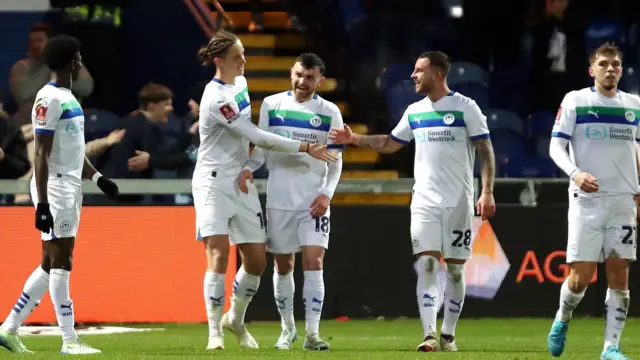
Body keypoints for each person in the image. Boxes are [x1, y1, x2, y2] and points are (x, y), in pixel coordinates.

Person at [329, 51, 496, 352]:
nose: (413, 76)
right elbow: (391, 143)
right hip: (424, 201)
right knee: (428, 264)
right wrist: (354, 140)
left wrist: (487, 192)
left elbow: (485, 150)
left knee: (456, 270)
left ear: (437, 74)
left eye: (419, 70)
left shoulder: (465, 108)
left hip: (459, 201)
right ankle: (430, 334)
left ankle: (449, 333)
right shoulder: (415, 111)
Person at [192, 30, 338, 351]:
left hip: (240, 181)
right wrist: (305, 147)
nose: (244, 60)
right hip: (213, 182)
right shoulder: (216, 98)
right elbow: (256, 136)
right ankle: (214, 332)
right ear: (219, 61)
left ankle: (236, 318)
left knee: (257, 261)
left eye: (244, 53)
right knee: (217, 255)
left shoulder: (241, 84)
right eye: (238, 56)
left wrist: (247, 167)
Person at [0, 35, 119, 355]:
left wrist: (97, 177)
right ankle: (69, 339)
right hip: (55, 187)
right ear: (71, 62)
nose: (81, 63)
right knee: (62, 261)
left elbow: (74, 150)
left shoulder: (67, 97)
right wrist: (41, 203)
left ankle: (8, 329)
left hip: (70, 185)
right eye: (78, 58)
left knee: (49, 262)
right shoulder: (49, 99)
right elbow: (40, 154)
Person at [237, 53, 343, 350]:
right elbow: (262, 147)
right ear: (291, 73)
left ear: (319, 80)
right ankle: (288, 329)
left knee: (314, 260)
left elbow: (336, 160)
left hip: (313, 199)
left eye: (309, 77)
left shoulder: (330, 111)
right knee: (283, 265)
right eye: (298, 74)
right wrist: (247, 168)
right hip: (280, 197)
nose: (302, 81)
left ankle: (312, 334)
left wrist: (327, 194)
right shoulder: (272, 104)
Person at [547, 42, 640, 360]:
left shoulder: (635, 105)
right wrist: (575, 174)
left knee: (620, 273)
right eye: (604, 63)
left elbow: (637, 152)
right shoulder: (576, 100)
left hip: (623, 201)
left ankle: (610, 348)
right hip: (587, 200)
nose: (610, 68)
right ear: (592, 70)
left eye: (615, 64)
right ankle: (563, 317)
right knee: (580, 278)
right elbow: (555, 147)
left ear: (621, 69)